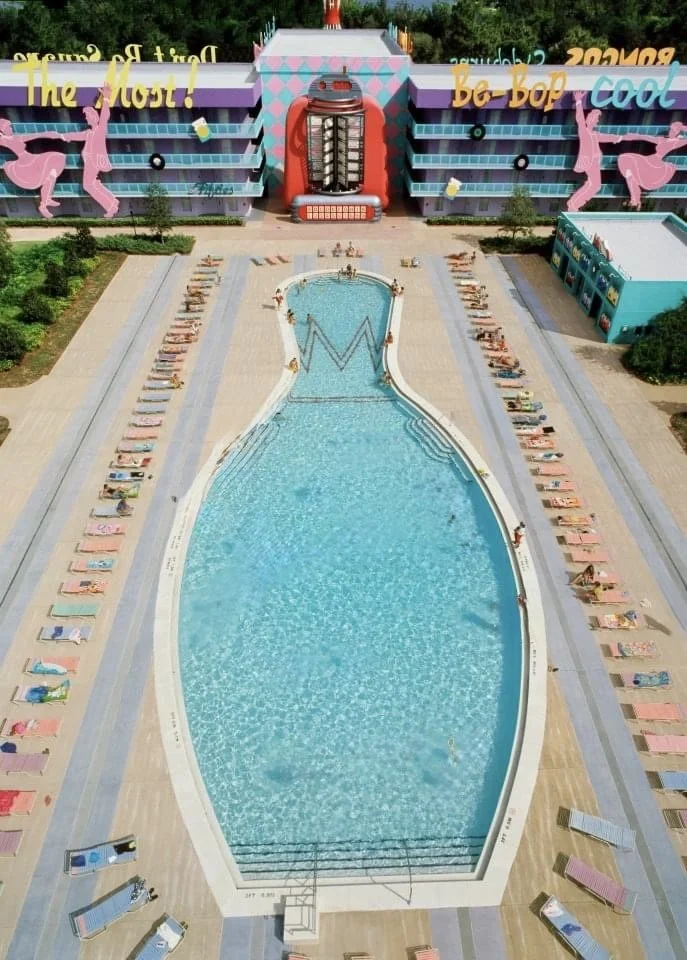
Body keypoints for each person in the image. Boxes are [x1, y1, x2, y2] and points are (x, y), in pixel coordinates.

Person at [60, 84, 119, 218]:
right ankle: (112, 201)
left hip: (94, 161)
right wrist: (64, 136)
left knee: (88, 185)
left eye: (87, 116)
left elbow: (105, 116)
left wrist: (106, 99)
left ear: (93, 117)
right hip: (90, 161)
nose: (86, 119)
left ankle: (110, 206)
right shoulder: (89, 133)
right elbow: (77, 135)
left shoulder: (100, 129)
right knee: (94, 183)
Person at [567, 90, 623, 212]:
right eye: (597, 118)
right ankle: (574, 203)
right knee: (595, 184)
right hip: (589, 162)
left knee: (593, 185)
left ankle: (574, 202)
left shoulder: (594, 134)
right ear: (591, 119)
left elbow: (606, 137)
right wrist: (578, 102)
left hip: (595, 162)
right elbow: (580, 119)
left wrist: (618, 138)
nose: (598, 121)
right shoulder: (584, 131)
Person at [0, 118, 67, 217]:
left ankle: (45, 202)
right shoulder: (6, 140)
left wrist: (49, 134)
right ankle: (44, 204)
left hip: (31, 158)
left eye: (10, 127)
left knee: (51, 175)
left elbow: (35, 136)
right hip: (25, 162)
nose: (10, 129)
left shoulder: (15, 137)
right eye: (7, 127)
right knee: (50, 174)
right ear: (2, 130)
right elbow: (34, 136)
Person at [617, 122, 687, 209]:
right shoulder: (662, 139)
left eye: (674, 130)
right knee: (626, 162)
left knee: (631, 170)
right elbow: (645, 137)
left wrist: (684, 128)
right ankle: (635, 197)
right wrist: (634, 135)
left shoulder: (677, 142)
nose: (670, 132)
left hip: (656, 163)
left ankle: (635, 199)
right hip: (649, 159)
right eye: (670, 129)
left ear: (677, 132)